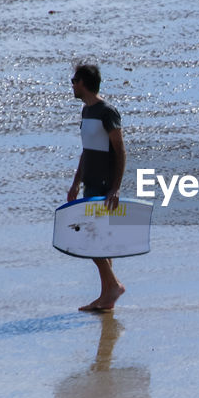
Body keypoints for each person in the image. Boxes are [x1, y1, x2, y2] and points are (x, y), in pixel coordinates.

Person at [68, 63, 127, 312]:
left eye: (74, 80)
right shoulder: (86, 112)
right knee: (100, 242)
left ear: (83, 83)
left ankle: (113, 287)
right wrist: (75, 183)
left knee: (92, 241)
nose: (72, 84)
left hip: (103, 185)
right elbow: (86, 152)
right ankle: (107, 296)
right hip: (90, 183)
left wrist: (115, 188)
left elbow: (121, 151)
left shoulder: (107, 112)